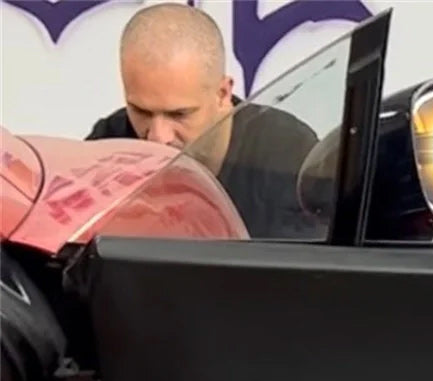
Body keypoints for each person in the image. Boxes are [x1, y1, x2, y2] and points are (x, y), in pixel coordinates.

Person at [86, 2, 322, 239]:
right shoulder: (107, 151)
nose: (158, 137)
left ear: (222, 94)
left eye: (179, 114)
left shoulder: (290, 157)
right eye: (141, 112)